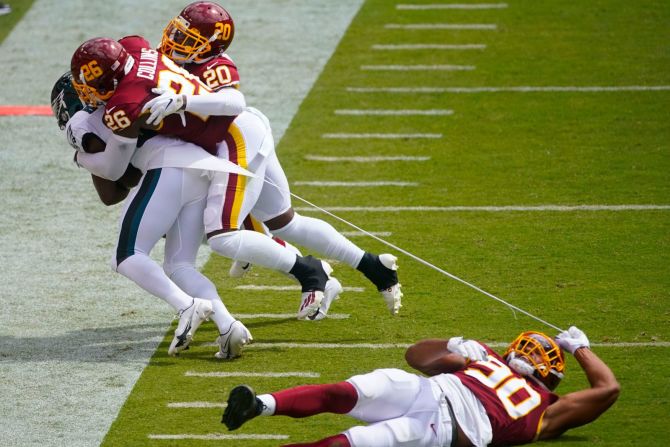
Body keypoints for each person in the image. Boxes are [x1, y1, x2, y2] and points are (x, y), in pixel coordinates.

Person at [150, 1, 403, 316]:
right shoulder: (158, 60)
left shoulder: (216, 64)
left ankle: (310, 271)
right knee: (285, 222)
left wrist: (184, 100)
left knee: (222, 234)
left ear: (210, 47)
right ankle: (372, 265)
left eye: (188, 39)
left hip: (236, 138)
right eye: (177, 32)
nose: (176, 41)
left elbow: (233, 100)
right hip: (239, 138)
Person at [69, 35, 341, 321]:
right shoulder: (135, 48)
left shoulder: (121, 106)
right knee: (246, 228)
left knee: (224, 234)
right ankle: (299, 280)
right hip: (207, 147)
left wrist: (81, 152)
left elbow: (113, 181)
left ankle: (311, 271)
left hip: (220, 143)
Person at [51, 71, 256, 358]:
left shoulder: (83, 120)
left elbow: (111, 192)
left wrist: (82, 157)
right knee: (179, 265)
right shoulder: (129, 94)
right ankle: (227, 325)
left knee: (126, 256)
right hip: (200, 166)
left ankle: (188, 306)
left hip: (166, 167)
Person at [221, 326, 619, 447]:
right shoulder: (485, 356)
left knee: (349, 442)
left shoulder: (546, 407)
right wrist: (452, 345)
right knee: (344, 392)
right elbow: (417, 357)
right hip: (426, 390)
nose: (532, 353)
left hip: (443, 430)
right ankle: (260, 405)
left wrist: (581, 348)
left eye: (540, 353)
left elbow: (607, 391)